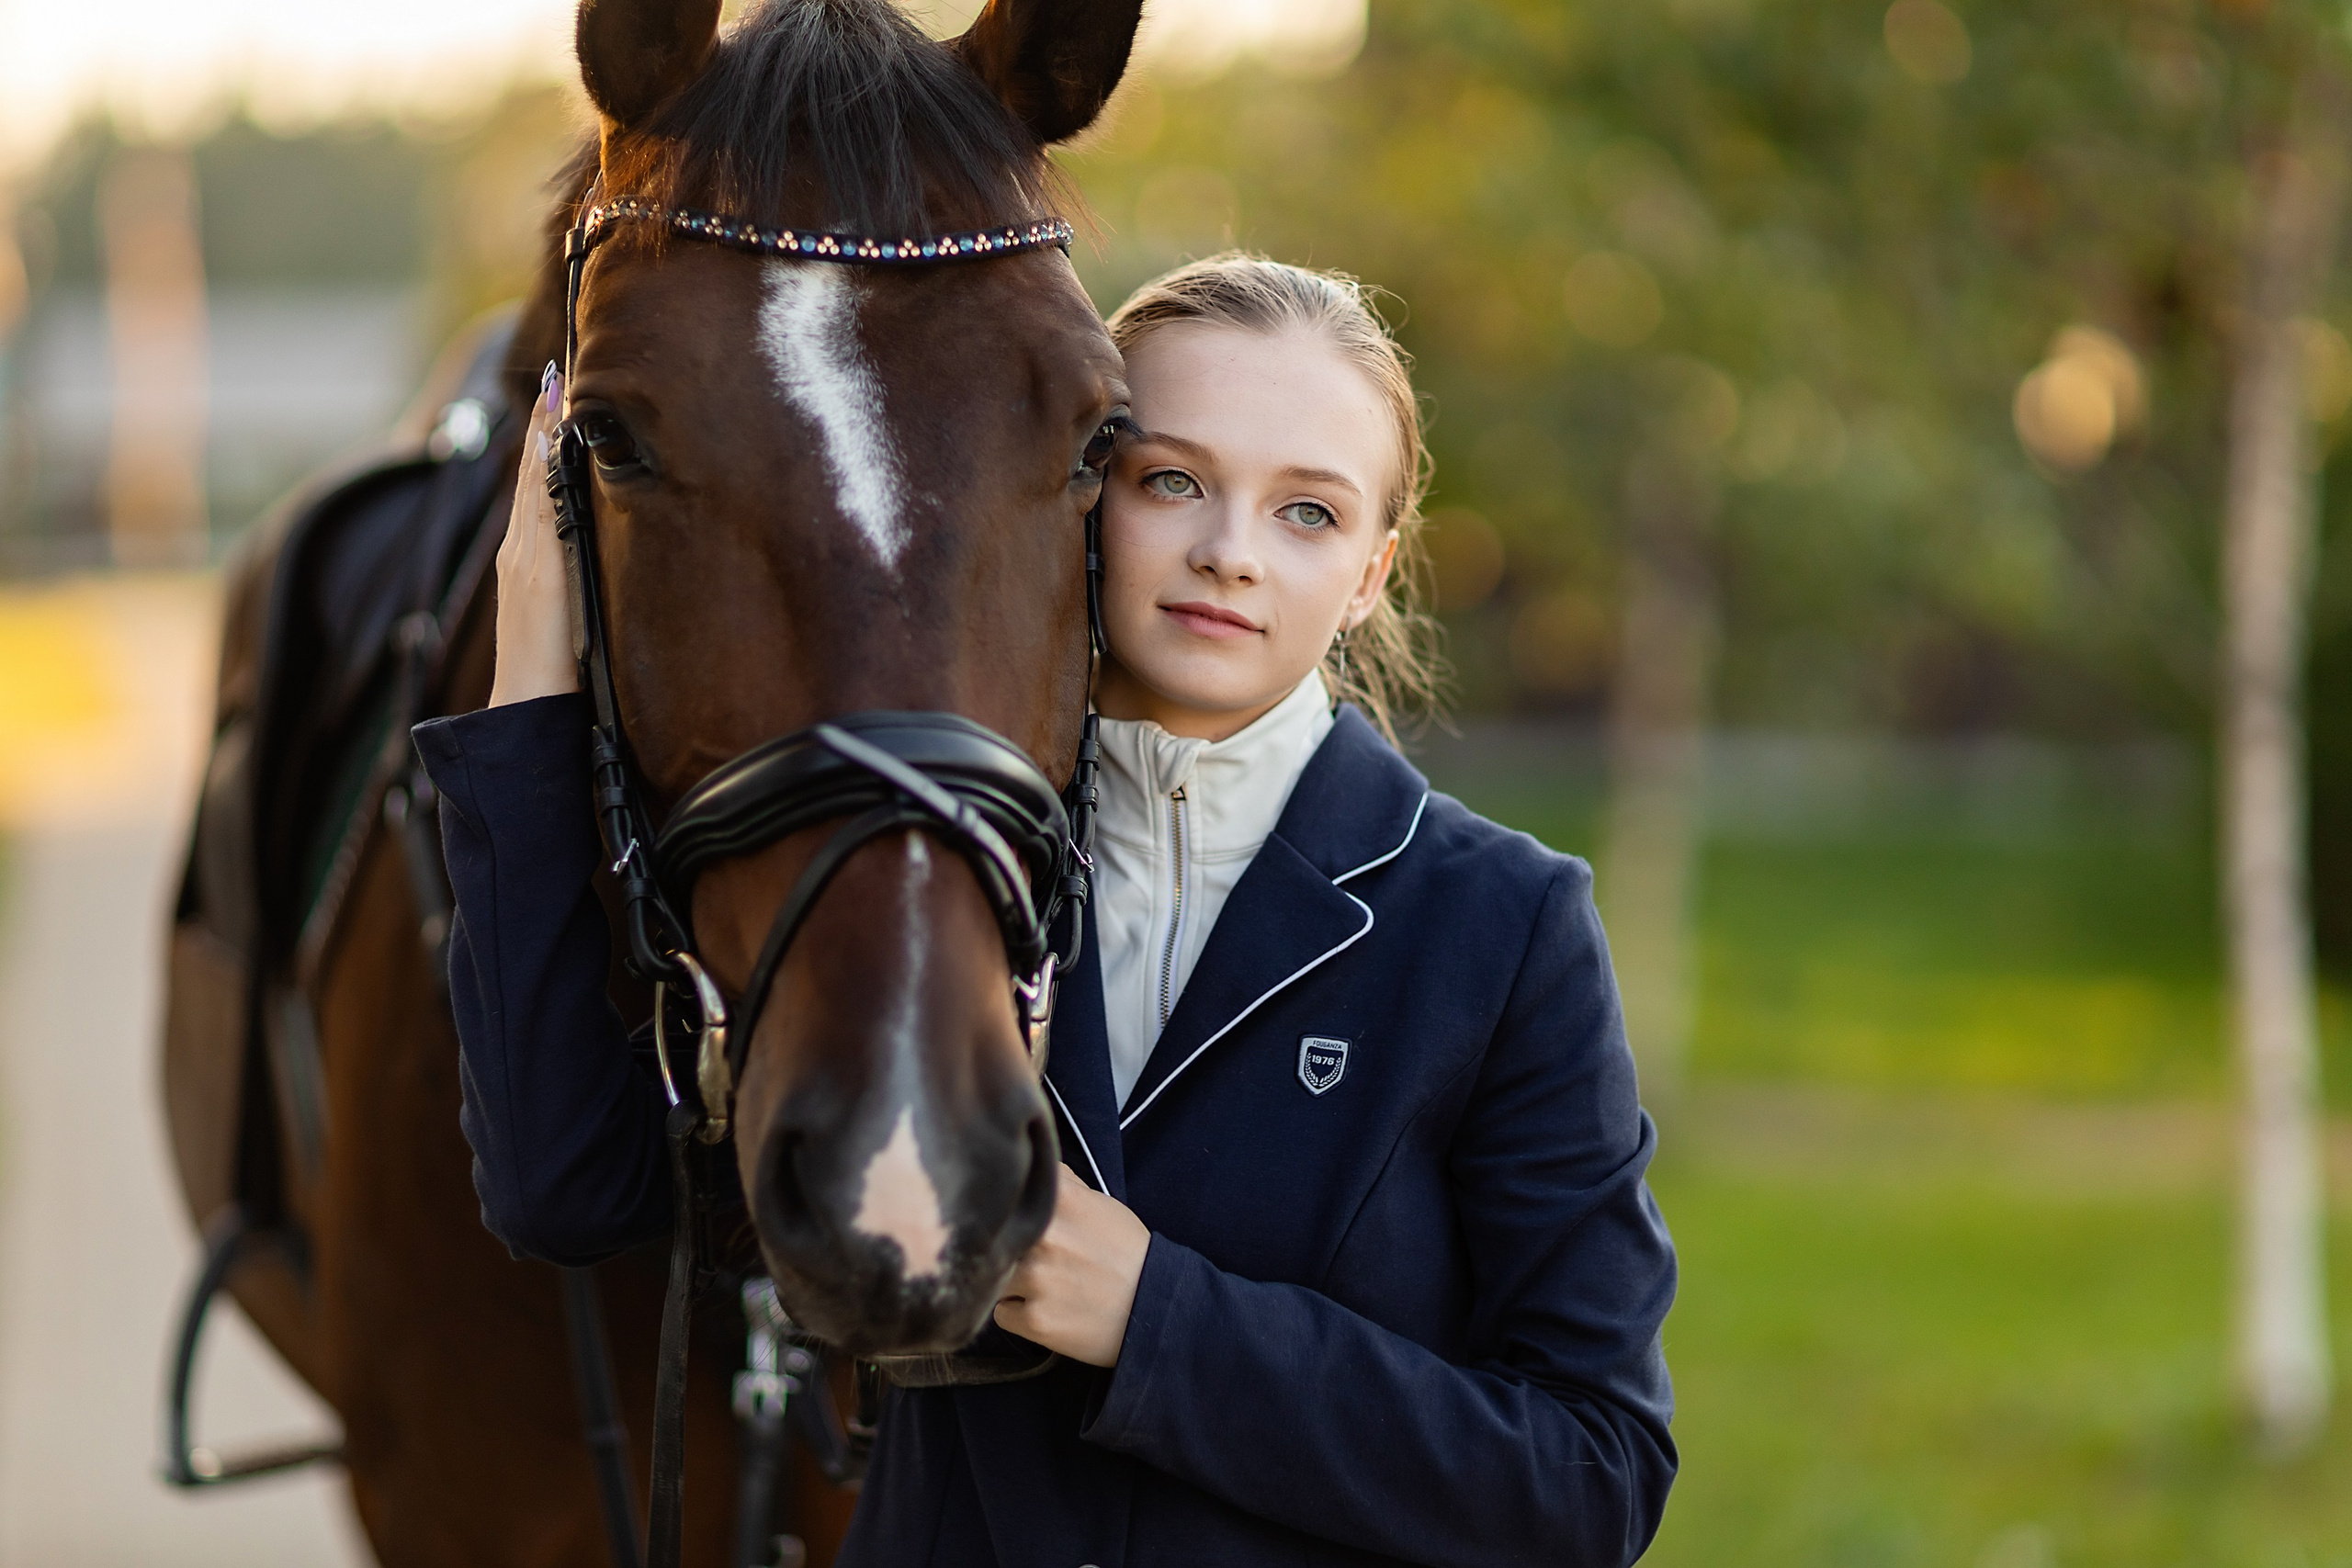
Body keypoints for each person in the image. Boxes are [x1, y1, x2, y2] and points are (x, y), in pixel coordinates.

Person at [413, 254, 1677, 1566]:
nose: (1228, 554)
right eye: (1171, 481)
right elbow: (567, 1182)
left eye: (1308, 513)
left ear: (1372, 571)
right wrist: (531, 678)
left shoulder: (1503, 927)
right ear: (1076, 498)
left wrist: (1158, 1320)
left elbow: (1593, 1475)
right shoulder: (921, 868)